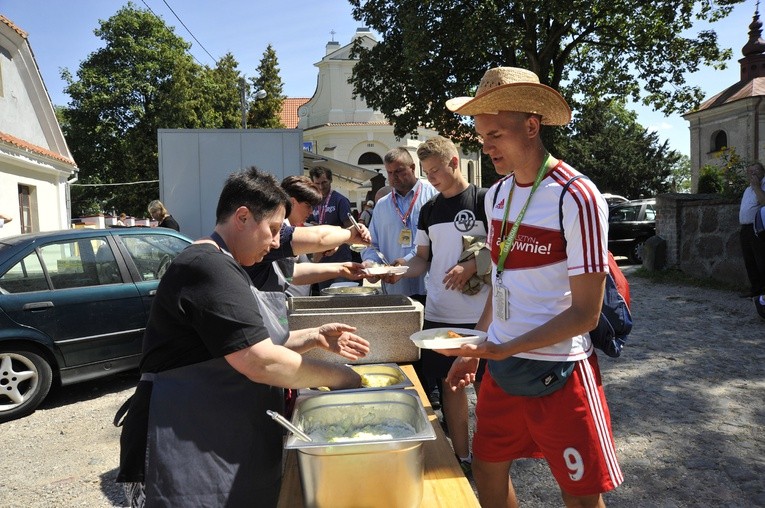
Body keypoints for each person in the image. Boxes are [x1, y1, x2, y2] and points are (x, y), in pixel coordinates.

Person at [116, 167, 369, 508]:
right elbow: (260, 360)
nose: (278, 242)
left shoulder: (228, 266)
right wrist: (344, 377)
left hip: (215, 435)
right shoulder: (208, 266)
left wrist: (313, 335)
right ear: (244, 217)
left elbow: (240, 346)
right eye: (274, 229)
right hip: (180, 443)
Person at [439, 66, 623, 508]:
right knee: (486, 470)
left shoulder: (576, 195)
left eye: (496, 134)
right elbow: (501, 281)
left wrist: (502, 348)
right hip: (502, 367)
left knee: (580, 495)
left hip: (561, 372)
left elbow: (586, 314)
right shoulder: (497, 195)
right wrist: (479, 346)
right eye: (481, 135)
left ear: (532, 126)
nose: (486, 146)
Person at [391, 136, 490, 473]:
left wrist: (473, 265)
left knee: (487, 391)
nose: (430, 177)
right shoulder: (429, 210)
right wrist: (397, 271)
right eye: (426, 171)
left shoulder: (484, 201)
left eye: (435, 170)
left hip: (482, 317)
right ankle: (462, 458)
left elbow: (505, 252)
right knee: (450, 386)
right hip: (439, 314)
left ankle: (492, 458)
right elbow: (422, 259)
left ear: (454, 162)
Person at [266, 175, 367, 297]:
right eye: (308, 205)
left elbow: (293, 272)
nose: (311, 211)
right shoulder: (279, 230)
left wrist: (340, 268)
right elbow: (320, 238)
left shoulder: (293, 227)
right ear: (292, 202)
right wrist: (349, 235)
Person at [308, 166, 356, 291]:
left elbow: (350, 229)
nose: (321, 187)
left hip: (340, 259)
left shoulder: (340, 200)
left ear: (330, 181)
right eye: (317, 183)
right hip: (321, 262)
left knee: (339, 297)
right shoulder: (311, 202)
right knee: (325, 298)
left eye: (324, 182)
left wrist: (326, 229)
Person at [738, 161, 765, 298]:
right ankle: (756, 290)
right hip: (745, 228)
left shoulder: (761, 185)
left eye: (756, 171)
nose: (753, 173)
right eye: (750, 172)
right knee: (750, 260)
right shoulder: (747, 189)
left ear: (763, 172)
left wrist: (757, 187)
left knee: (761, 259)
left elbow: (764, 202)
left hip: (758, 228)